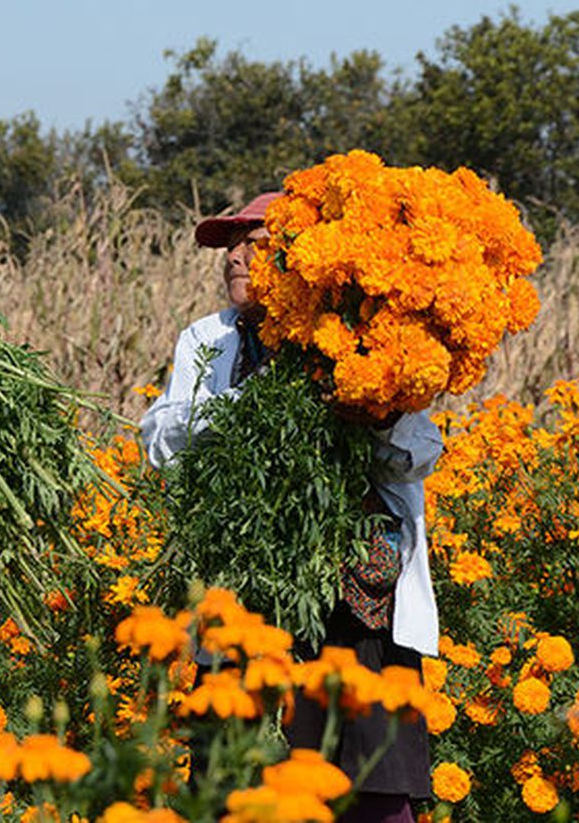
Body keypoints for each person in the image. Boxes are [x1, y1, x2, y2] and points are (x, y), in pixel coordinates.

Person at [140, 190, 443, 823]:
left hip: (352, 605)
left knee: (369, 786)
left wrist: (372, 410)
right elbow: (158, 441)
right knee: (236, 780)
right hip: (244, 587)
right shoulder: (208, 338)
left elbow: (420, 453)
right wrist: (239, 409)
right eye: (232, 245)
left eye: (257, 244)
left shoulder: (357, 338)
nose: (236, 258)